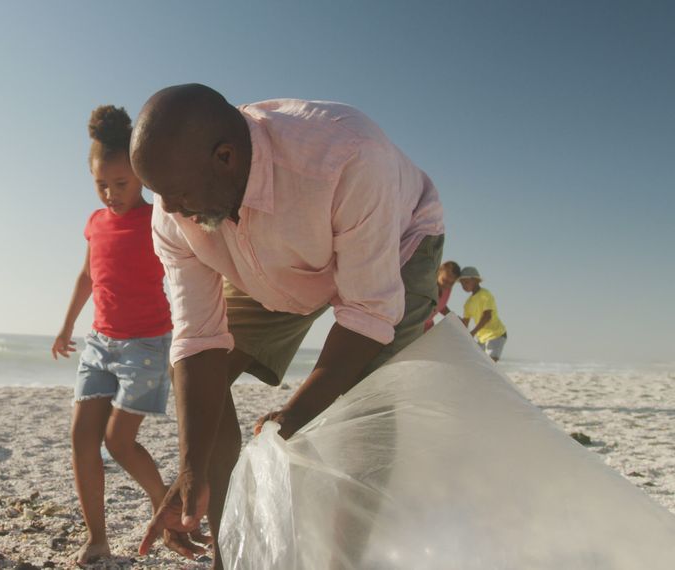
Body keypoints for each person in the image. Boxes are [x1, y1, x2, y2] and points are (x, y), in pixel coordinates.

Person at [128, 84, 444, 568]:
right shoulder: (175, 209)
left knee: (368, 412)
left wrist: (291, 418)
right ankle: (228, 554)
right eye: (158, 194)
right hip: (272, 268)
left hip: (397, 247)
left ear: (226, 157)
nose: (167, 209)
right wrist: (190, 469)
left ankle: (346, 559)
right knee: (205, 388)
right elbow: (198, 340)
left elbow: (368, 313)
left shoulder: (348, 158)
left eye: (177, 193)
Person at [49, 105, 177, 566]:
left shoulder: (159, 219)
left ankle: (164, 498)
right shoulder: (96, 223)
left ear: (140, 176)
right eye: (101, 184)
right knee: (82, 437)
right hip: (99, 342)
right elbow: (87, 278)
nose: (110, 194)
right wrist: (67, 327)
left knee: (118, 442)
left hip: (145, 344)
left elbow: (190, 269)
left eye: (120, 184)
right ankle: (97, 538)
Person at [458, 266, 508, 361]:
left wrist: (473, 332)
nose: (464, 285)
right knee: (479, 364)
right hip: (482, 338)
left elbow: (487, 316)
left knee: (490, 365)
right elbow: (465, 322)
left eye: (466, 282)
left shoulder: (485, 295)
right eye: (461, 283)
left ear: (476, 281)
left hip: (496, 334)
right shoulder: (468, 303)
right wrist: (457, 323)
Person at [424, 260, 461, 331]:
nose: (447, 285)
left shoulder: (447, 290)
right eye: (444, 280)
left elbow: (441, 306)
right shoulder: (427, 286)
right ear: (438, 273)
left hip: (428, 327)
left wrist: (454, 318)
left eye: (451, 283)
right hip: (415, 327)